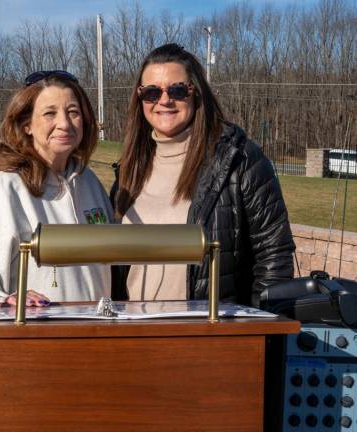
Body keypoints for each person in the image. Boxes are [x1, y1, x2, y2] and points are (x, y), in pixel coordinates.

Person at [111, 44, 295, 307]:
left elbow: (274, 254)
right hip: (135, 330)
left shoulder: (238, 158)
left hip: (208, 333)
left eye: (177, 90)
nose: (164, 100)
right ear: (139, 99)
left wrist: (256, 328)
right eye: (151, 92)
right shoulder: (131, 168)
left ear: (196, 94)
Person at [0, 71, 113, 319]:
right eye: (50, 113)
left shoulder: (89, 182)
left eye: (73, 112)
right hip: (34, 343)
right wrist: (3, 300)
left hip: (98, 338)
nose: (64, 124)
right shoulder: (6, 186)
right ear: (27, 125)